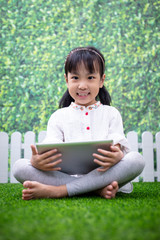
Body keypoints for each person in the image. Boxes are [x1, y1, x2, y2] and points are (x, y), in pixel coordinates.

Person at [13, 46, 145, 200]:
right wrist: (37, 162)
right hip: (68, 176)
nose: (82, 85)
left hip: (104, 173)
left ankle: (60, 191)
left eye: (90, 78)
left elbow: (117, 147)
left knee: (136, 159)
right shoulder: (58, 116)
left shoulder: (111, 113)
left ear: (101, 80)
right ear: (66, 80)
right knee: (19, 167)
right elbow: (51, 150)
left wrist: (117, 155)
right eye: (75, 77)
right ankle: (96, 189)